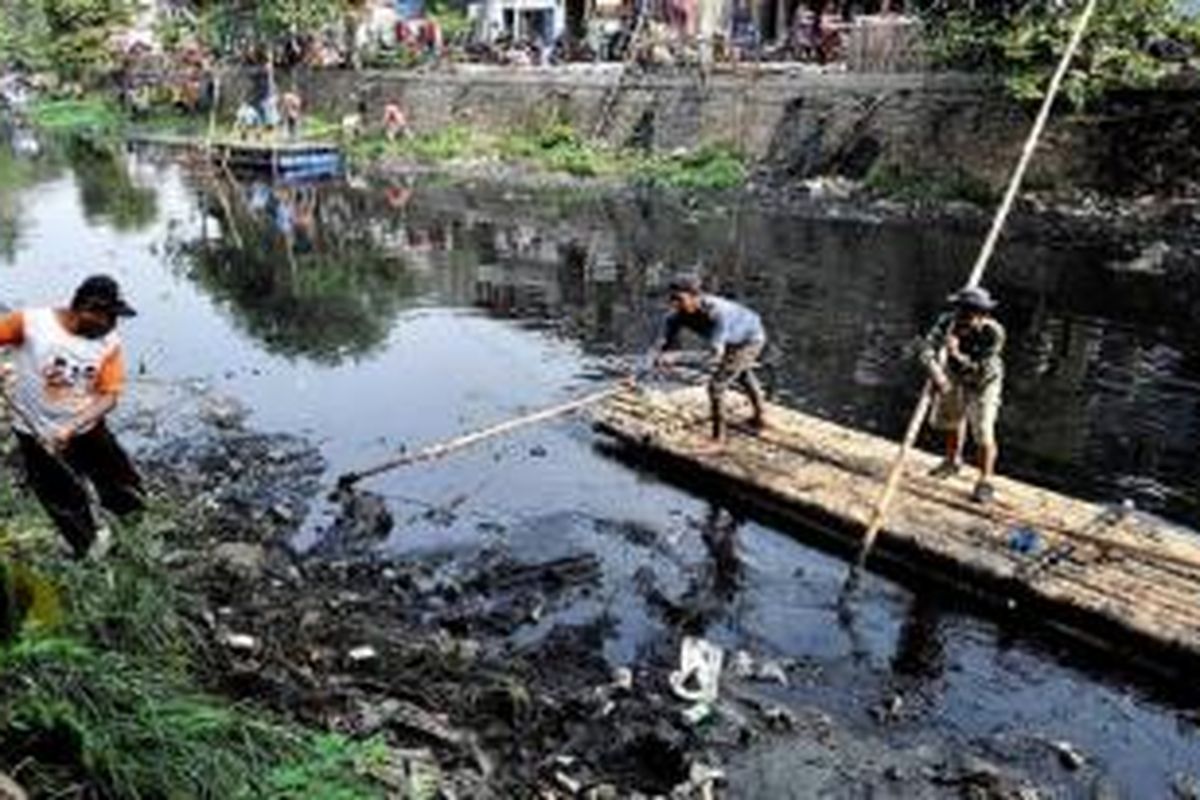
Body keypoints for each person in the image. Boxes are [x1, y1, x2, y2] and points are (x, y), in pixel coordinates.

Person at [0, 275, 144, 558]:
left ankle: (134, 532)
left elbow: (109, 395)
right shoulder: (31, 324)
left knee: (122, 482)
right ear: (87, 310)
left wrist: (72, 427)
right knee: (60, 495)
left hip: (86, 427)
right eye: (109, 317)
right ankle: (88, 549)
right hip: (35, 432)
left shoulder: (108, 342)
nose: (113, 326)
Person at [651, 275, 767, 447]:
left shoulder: (717, 314)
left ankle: (718, 439)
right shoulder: (676, 316)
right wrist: (657, 357)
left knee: (716, 386)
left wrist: (677, 358)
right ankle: (760, 419)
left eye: (679, 299)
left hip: (750, 339)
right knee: (743, 375)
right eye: (672, 299)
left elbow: (714, 355)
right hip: (731, 339)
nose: (674, 304)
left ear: (695, 296)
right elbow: (663, 342)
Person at [921, 286, 1005, 504]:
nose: (963, 319)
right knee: (950, 419)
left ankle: (985, 481)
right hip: (954, 375)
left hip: (984, 382)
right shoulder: (947, 322)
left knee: (983, 430)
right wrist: (937, 373)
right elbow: (927, 349)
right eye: (961, 312)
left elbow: (979, 368)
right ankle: (952, 461)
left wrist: (955, 353)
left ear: (982, 315)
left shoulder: (994, 333)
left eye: (969, 314)